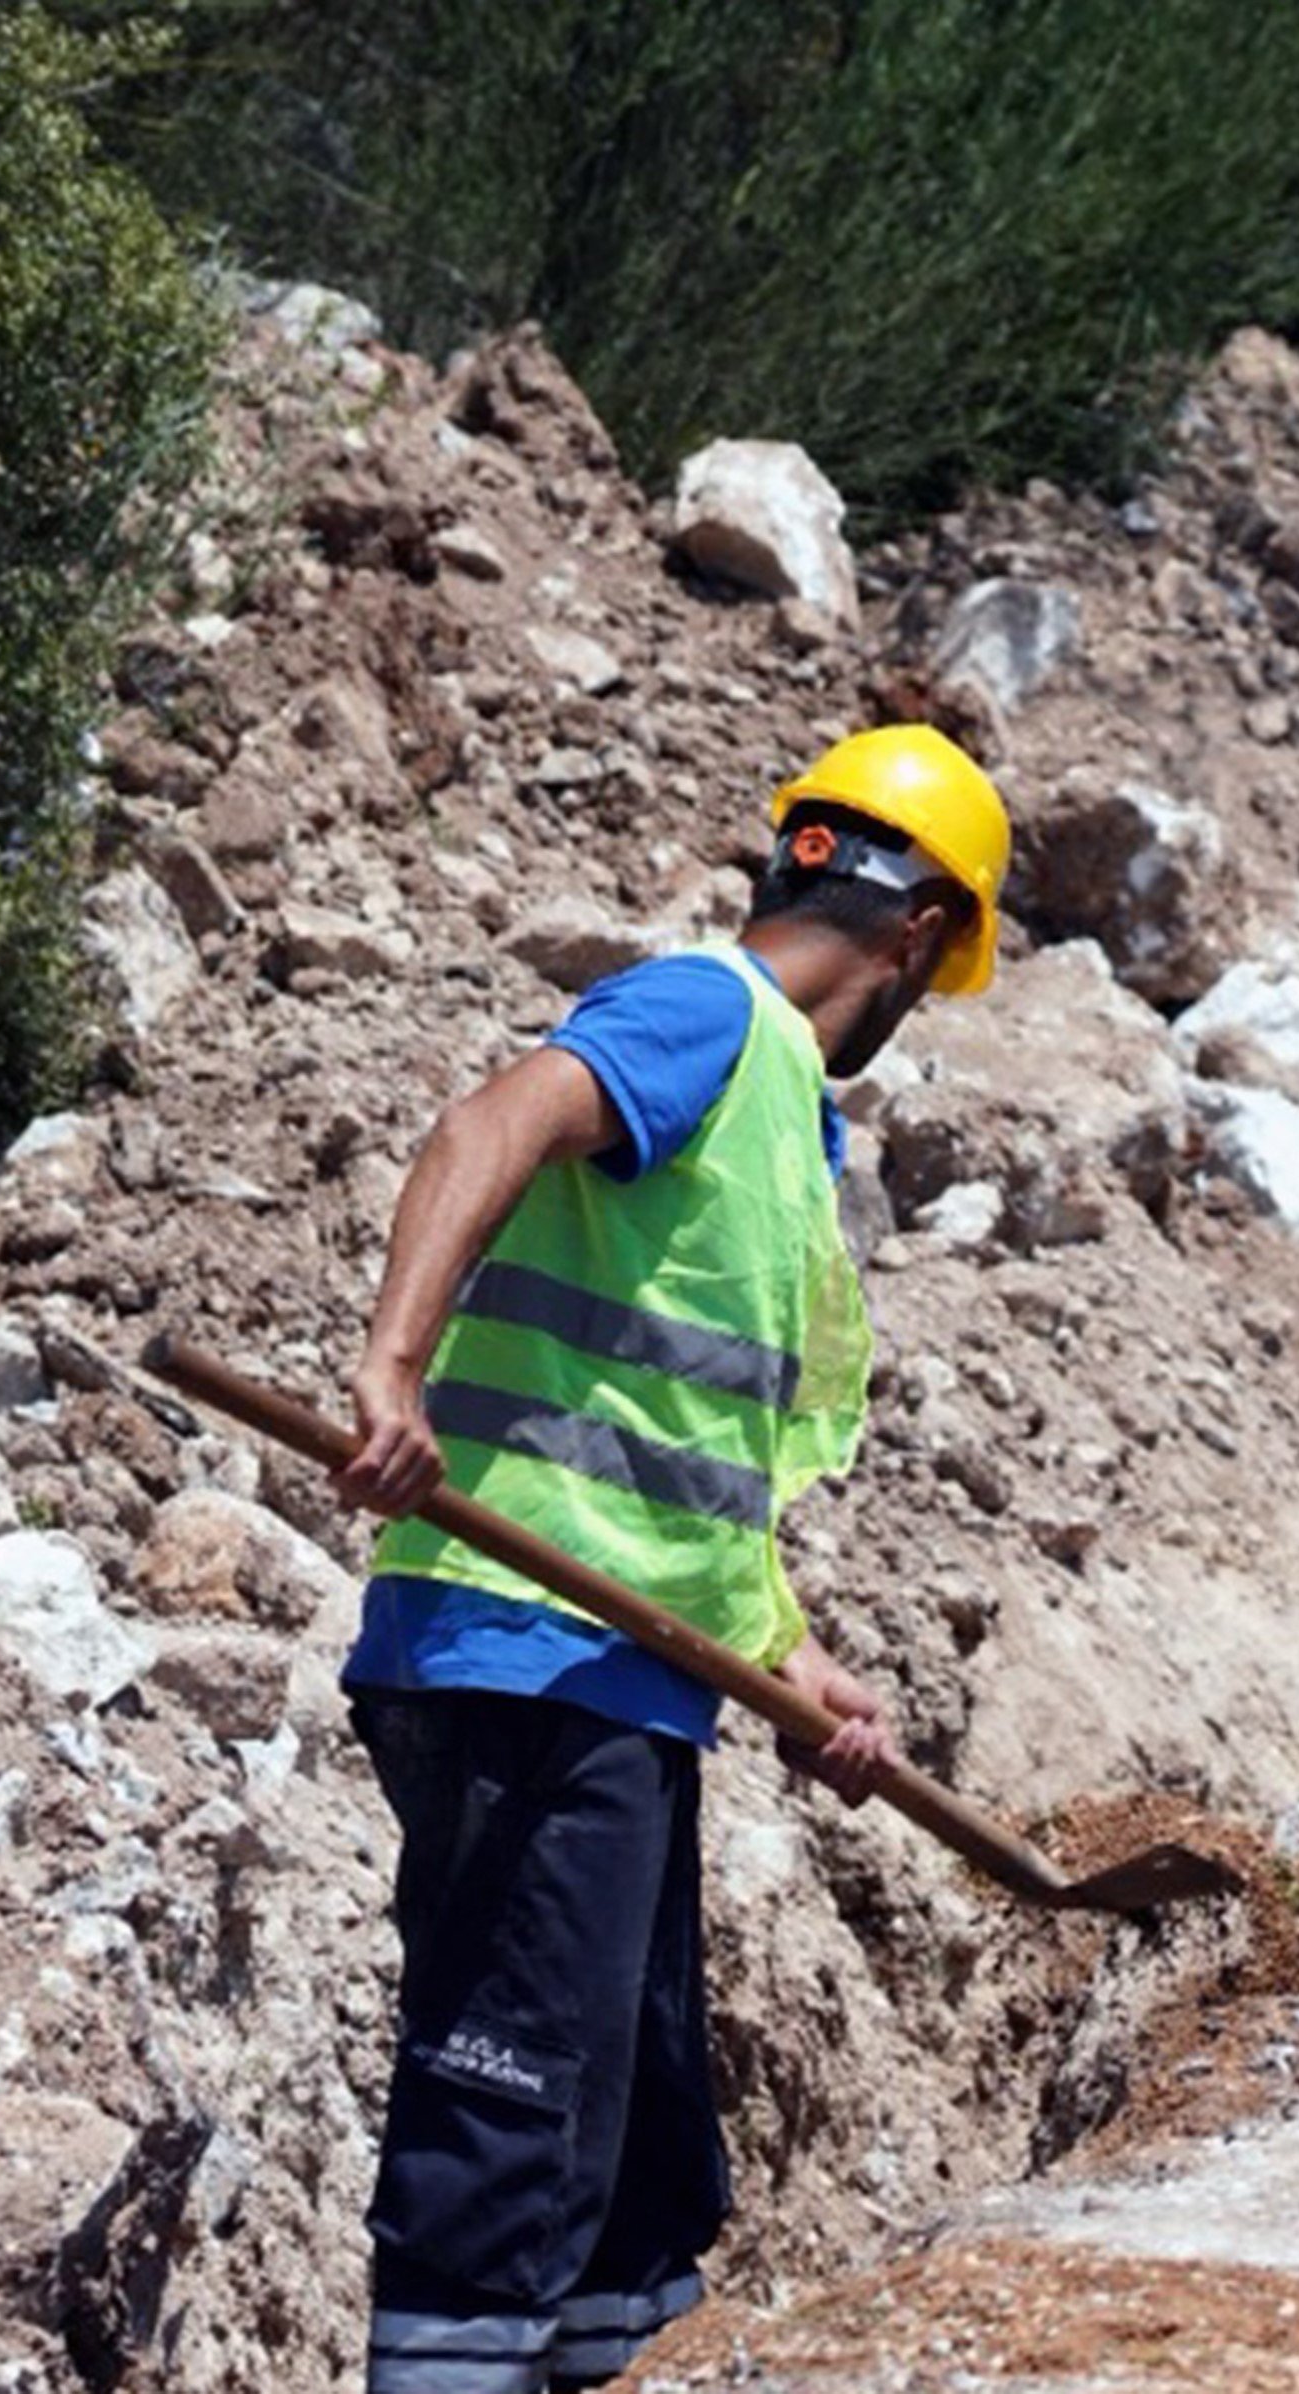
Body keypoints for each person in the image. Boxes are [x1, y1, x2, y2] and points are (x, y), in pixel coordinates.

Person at [325, 723, 1011, 2394]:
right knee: (501, 2142)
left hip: (620, 1681)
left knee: (631, 2186)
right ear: (920, 935)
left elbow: (679, 1468)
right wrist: (392, 1368)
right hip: (519, 1657)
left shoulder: (783, 1119)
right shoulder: (709, 1014)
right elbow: (491, 1122)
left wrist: (796, 1666)